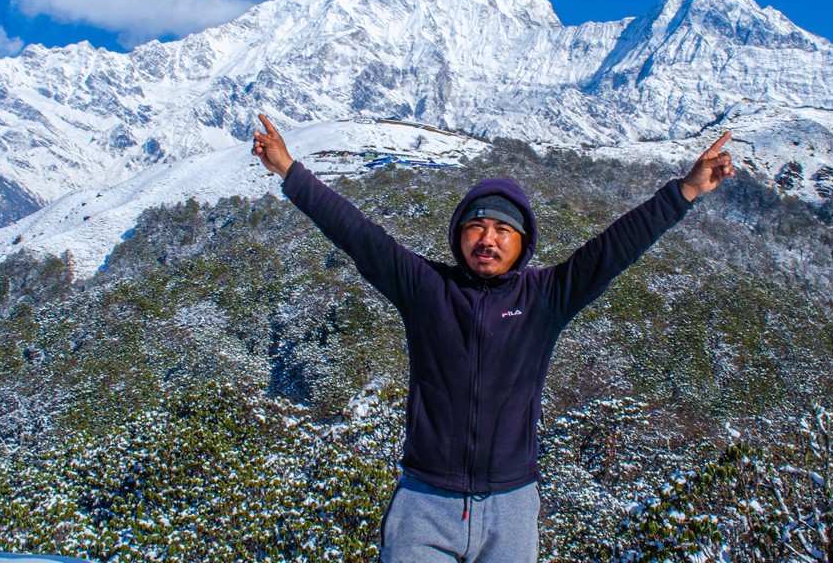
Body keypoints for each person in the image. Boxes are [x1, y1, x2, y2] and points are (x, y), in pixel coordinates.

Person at [252, 114, 735, 562]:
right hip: (425, 501)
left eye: (503, 229)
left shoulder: (546, 296)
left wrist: (685, 191)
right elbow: (356, 233)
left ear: (523, 242)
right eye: (476, 226)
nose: (487, 238)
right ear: (458, 236)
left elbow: (616, 247)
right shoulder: (425, 288)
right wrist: (289, 170)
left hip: (511, 507)